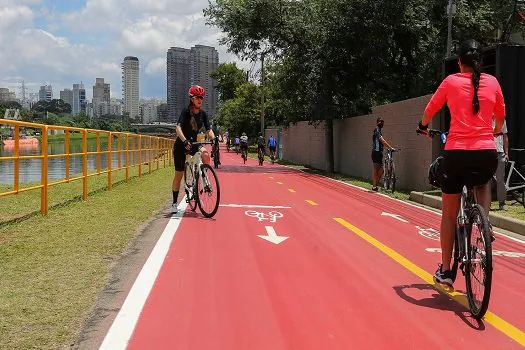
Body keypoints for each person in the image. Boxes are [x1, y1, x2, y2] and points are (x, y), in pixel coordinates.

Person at [417, 39, 505, 287]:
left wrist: (423, 126)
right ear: (480, 63)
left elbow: (429, 111)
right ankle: (485, 224)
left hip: (455, 155)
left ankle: (446, 271)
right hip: (485, 153)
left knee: (449, 215)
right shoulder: (494, 82)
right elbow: (501, 117)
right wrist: (494, 132)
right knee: (483, 181)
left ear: (459, 62)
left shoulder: (451, 82)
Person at [171, 85, 215, 214]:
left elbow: (209, 130)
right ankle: (174, 203)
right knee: (178, 175)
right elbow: (177, 128)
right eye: (197, 97)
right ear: (192, 98)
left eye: (201, 97)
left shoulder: (203, 114)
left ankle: (203, 176)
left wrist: (213, 138)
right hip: (181, 145)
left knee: (206, 154)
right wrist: (184, 141)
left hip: (194, 143)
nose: (200, 100)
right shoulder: (185, 111)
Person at [371, 117, 395, 192]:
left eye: (383, 122)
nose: (382, 123)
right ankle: (374, 186)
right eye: (380, 122)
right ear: (377, 122)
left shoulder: (379, 130)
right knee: (376, 170)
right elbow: (383, 141)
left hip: (379, 153)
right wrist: (390, 147)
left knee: (381, 170)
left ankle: (375, 185)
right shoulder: (377, 130)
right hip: (376, 152)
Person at [493, 118, 509, 210]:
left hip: (499, 151)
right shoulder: (484, 116)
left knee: (500, 179)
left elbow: (505, 136)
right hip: (487, 150)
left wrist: (506, 153)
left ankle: (502, 202)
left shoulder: (501, 119)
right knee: (486, 179)